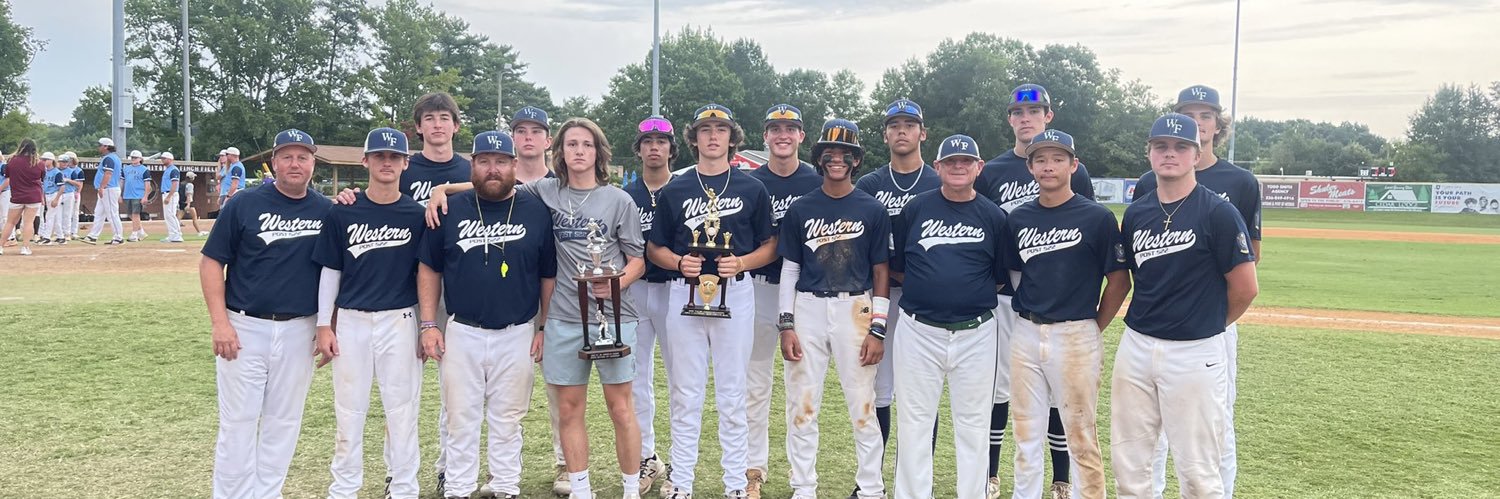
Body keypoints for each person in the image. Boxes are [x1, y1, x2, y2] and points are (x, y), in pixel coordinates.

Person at [420, 98, 571, 496]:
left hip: (517, 330)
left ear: (513, 166)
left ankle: (505, 486)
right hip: (463, 330)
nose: (493, 169)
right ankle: (458, 487)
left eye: (501, 161)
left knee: (508, 417)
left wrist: (543, 325)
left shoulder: (534, 209)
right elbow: (429, 268)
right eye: (484, 160)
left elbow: (547, 274)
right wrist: (429, 324)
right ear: (471, 166)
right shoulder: (451, 208)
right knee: (460, 416)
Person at [1111, 114, 1258, 499]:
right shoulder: (1138, 213)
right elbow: (1137, 280)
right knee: (1132, 465)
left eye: (1181, 147)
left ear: (1196, 154)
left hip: (1194, 352)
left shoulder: (1218, 213)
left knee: (1198, 472)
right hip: (1138, 345)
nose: (1170, 154)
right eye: (1161, 146)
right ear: (1150, 153)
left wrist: (1206, 322)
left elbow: (1245, 288)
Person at [646, 104, 776, 499]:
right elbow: (654, 247)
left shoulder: (751, 186)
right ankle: (681, 481)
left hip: (735, 290)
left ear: (732, 137)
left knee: (733, 392)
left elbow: (771, 245)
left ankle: (735, 483)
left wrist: (742, 261)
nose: (713, 136)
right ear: (694, 138)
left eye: (720, 129)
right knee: (685, 391)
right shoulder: (677, 188)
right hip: (683, 292)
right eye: (705, 130)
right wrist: (676, 261)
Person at [975, 84, 1095, 498]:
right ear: (1010, 119)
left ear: (1049, 115)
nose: (1025, 118)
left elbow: (1087, 233)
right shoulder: (992, 171)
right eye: (1018, 112)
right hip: (1008, 298)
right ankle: (991, 474)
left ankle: (1061, 479)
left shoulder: (1074, 170)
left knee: (1062, 391)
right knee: (1001, 387)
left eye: (1034, 110)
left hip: (1060, 299)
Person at [200, 128, 332, 499]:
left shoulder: (326, 210)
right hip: (244, 326)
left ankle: (267, 494)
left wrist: (326, 326)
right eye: (287, 156)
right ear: (273, 163)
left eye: (302, 157)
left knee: (284, 423)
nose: (295, 163)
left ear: (312, 164)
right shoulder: (244, 203)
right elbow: (212, 263)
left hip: (299, 329)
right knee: (238, 423)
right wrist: (219, 322)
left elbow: (335, 273)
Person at [520, 117, 646, 499]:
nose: (579, 151)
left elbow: (638, 259)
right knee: (570, 409)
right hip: (563, 317)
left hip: (614, 318)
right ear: (559, 151)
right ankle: (580, 489)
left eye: (586, 145)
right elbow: (496, 185)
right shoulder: (545, 191)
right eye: (571, 144)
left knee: (620, 407)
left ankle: (629, 489)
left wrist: (616, 284)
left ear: (599, 153)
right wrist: (444, 188)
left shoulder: (618, 199)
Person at [1004, 130, 1131, 499]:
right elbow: (1016, 274)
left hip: (1076, 333)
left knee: (1080, 433)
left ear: (1074, 165)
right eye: (1040, 159)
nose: (1049, 166)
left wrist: (1093, 327)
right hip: (1026, 331)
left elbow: (1119, 282)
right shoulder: (1019, 218)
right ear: (1029, 167)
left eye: (1058, 159)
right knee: (1026, 433)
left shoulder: (1097, 217)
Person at [776, 119, 891, 499]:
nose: (837, 159)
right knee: (802, 403)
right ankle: (803, 488)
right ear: (820, 158)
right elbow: (790, 269)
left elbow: (880, 271)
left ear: (856, 160)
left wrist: (878, 327)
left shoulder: (872, 209)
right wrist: (786, 324)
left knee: (863, 404)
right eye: (830, 153)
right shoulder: (801, 208)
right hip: (807, 307)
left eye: (846, 154)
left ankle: (872, 488)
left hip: (854, 307)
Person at [890, 134, 1009, 499]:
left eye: (966, 161)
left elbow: (1001, 275)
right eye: (951, 161)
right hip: (918, 329)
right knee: (914, 423)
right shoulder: (915, 209)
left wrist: (961, 291)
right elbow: (898, 267)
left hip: (976, 332)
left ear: (979, 167)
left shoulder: (994, 216)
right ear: (937, 167)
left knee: (974, 424)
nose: (959, 167)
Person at [312, 127, 428, 499]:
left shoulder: (417, 214)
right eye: (379, 156)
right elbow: (331, 270)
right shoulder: (343, 211)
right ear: (365, 161)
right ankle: (344, 488)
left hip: (400, 319)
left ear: (406, 163)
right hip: (351, 320)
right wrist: (323, 324)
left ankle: (404, 488)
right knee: (349, 410)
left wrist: (426, 324)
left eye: (395, 157)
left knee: (403, 410)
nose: (387, 162)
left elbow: (427, 274)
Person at [854, 98, 941, 469]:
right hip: (880, 294)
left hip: (924, 297)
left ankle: (919, 480)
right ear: (886, 134)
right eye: (894, 125)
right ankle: (871, 478)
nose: (901, 130)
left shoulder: (939, 180)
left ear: (923, 132)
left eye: (909, 124)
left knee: (923, 392)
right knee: (879, 388)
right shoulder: (870, 183)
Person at [745, 103, 822, 499]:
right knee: (755, 383)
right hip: (758, 287)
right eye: (775, 128)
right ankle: (753, 468)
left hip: (804, 291)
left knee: (801, 385)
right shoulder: (751, 182)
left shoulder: (816, 181)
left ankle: (801, 479)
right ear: (765, 136)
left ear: (801, 137)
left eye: (790, 129)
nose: (782, 136)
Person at [622, 115, 677, 495]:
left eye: (661, 141)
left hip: (678, 288)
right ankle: (647, 457)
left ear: (672, 148)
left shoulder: (688, 189)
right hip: (636, 290)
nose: (654, 147)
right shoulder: (626, 194)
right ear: (639, 149)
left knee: (681, 380)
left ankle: (680, 462)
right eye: (647, 142)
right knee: (637, 380)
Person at [0, 139, 45, 256]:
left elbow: (8, 176)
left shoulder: (12, 161)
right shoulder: (39, 163)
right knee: (28, 222)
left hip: (17, 195)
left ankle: (0, 246)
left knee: (10, 222)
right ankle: (25, 247)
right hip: (34, 195)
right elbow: (42, 177)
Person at [83, 138, 126, 245]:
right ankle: (93, 235)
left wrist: (102, 187)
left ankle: (118, 237)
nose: (99, 147)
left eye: (100, 145)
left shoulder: (109, 158)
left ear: (106, 146)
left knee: (112, 213)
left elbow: (108, 174)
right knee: (99, 213)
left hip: (109, 188)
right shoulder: (113, 158)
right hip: (108, 188)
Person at [511, 106, 556, 184]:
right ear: (512, 140)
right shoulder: (500, 187)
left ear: (548, 142)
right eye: (521, 131)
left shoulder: (560, 187)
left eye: (536, 131)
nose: (528, 137)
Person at [150, 152, 185, 243]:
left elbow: (175, 184)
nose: (162, 160)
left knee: (171, 215)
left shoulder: (173, 170)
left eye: (164, 158)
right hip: (166, 193)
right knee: (167, 216)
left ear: (170, 159)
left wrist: (169, 196)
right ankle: (172, 235)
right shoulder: (167, 170)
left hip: (171, 194)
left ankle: (177, 235)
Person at [121, 150, 151, 241]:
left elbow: (147, 184)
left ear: (140, 159)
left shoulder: (144, 170)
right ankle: (141, 231)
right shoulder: (125, 169)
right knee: (130, 214)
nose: (133, 159)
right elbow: (122, 182)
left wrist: (145, 196)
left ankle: (134, 234)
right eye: (132, 157)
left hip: (138, 195)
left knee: (135, 214)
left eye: (135, 157)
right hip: (127, 194)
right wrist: (119, 194)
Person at [38, 152, 66, 245]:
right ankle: (61, 237)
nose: (43, 161)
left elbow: (62, 187)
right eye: (42, 160)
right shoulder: (45, 171)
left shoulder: (57, 172)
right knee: (56, 216)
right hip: (48, 194)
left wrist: (57, 199)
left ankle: (47, 237)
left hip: (55, 194)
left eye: (45, 160)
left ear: (51, 160)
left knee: (49, 216)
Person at [60, 153, 85, 240]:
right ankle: (65, 231)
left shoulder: (78, 170)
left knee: (75, 213)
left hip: (74, 193)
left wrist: (77, 192)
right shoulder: (64, 170)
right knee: (66, 213)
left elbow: (80, 184)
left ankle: (74, 232)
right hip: (65, 192)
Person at [183, 171, 207, 236]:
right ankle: (199, 232)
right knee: (194, 217)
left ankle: (175, 232)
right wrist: (188, 204)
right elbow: (189, 195)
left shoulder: (182, 184)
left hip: (181, 202)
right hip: (189, 203)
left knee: (177, 218)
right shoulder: (190, 185)